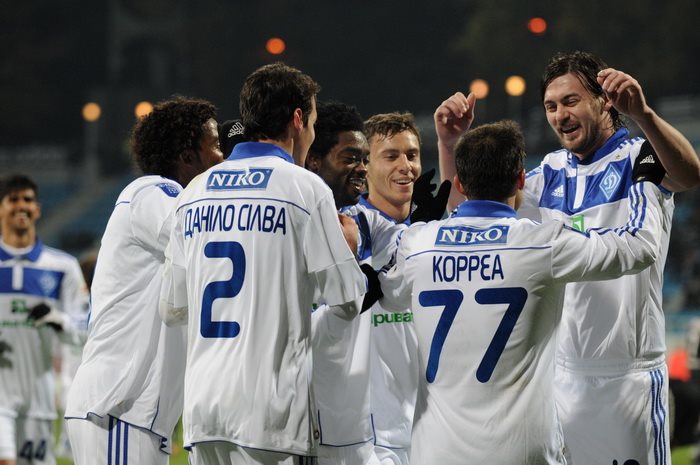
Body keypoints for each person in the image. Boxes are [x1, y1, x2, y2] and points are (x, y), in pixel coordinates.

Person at [438, 51, 700, 464]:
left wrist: (644, 114)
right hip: (560, 379)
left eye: (570, 101)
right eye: (551, 106)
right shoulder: (549, 172)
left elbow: (689, 175)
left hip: (626, 380)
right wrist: (450, 145)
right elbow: (472, 213)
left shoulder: (640, 157)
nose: (560, 115)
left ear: (604, 101)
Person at [379, 119, 670, 464]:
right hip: (520, 449)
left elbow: (389, 294)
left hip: (436, 451)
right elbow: (639, 249)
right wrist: (645, 184)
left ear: (458, 183)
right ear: (520, 179)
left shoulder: (419, 243)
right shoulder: (542, 243)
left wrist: (417, 224)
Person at [159, 62, 367, 465]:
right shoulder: (304, 188)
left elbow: (172, 309)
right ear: (297, 119)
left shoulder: (194, 192)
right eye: (312, 123)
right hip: (271, 413)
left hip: (204, 409)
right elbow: (347, 299)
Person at [64, 95, 224, 465]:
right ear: (187, 156)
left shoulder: (162, 196)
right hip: (120, 408)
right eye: (215, 145)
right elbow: (204, 239)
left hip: (137, 415)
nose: (223, 157)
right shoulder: (153, 192)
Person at [0, 174, 89, 465]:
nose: (21, 205)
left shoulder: (62, 267)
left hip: (38, 397)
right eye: (13, 199)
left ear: (37, 209)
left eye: (27, 199)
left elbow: (84, 330)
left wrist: (56, 319)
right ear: (1, 208)